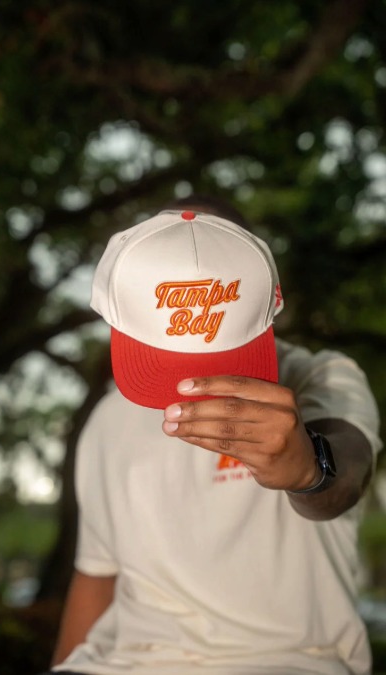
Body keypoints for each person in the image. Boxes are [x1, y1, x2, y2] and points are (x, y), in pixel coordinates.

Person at [49, 201, 379, 674]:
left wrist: (311, 468)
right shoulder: (107, 419)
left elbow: (348, 470)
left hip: (289, 664)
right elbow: (96, 577)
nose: (194, 380)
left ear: (270, 295)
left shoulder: (326, 377)